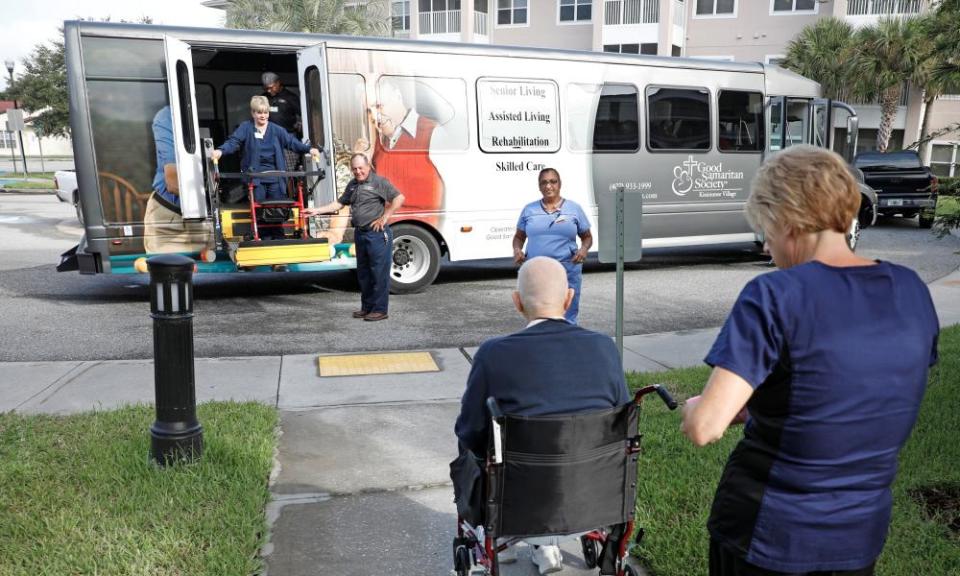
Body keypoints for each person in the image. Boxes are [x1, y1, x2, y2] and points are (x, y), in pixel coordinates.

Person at [681, 145, 939, 576]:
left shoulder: (774, 295)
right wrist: (763, 407)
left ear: (788, 218)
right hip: (858, 536)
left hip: (769, 534)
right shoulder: (910, 290)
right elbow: (861, 389)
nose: (766, 245)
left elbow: (705, 429)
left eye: (766, 228)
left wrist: (696, 409)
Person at [454, 256, 630, 574]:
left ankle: (519, 538)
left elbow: (469, 433)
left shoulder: (494, 354)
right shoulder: (604, 348)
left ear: (517, 302)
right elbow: (621, 427)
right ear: (569, 298)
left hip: (515, 501)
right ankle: (547, 544)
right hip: (593, 494)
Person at [302, 153, 404, 321]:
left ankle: (380, 310)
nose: (358, 172)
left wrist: (386, 216)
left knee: (378, 273)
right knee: (364, 274)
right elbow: (340, 203)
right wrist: (317, 210)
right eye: (354, 169)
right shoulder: (352, 185)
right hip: (360, 233)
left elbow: (399, 198)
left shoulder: (379, 182)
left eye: (361, 168)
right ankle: (367, 307)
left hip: (376, 234)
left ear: (368, 166)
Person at [212, 96, 319, 240]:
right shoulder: (246, 128)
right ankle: (260, 236)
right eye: (259, 112)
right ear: (253, 113)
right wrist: (220, 151)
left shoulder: (277, 130)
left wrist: (309, 149)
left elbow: (292, 143)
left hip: (275, 177)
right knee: (259, 209)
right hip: (256, 178)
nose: (263, 116)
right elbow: (233, 142)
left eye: (265, 112)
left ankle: (278, 237)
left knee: (275, 209)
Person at [512, 168, 593, 324]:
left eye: (552, 182)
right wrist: (517, 250)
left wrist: (583, 250)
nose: (548, 186)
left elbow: (587, 237)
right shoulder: (529, 210)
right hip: (537, 271)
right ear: (539, 186)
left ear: (560, 184)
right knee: (539, 314)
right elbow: (519, 237)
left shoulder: (574, 209)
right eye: (544, 182)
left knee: (567, 315)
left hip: (567, 270)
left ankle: (567, 345)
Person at [369, 77, 444, 224]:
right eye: (369, 110)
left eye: (378, 106)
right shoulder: (379, 142)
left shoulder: (432, 132)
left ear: (397, 96)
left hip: (423, 231)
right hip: (387, 230)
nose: (374, 115)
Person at [143, 105, 214, 254]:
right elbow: (173, 183)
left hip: (204, 219)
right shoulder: (167, 117)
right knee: (169, 274)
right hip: (170, 221)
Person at [261, 72, 303, 170]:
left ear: (278, 83)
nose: (268, 90)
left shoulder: (290, 97)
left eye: (271, 87)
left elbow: (303, 114)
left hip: (287, 136)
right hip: (268, 137)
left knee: (288, 169)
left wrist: (299, 124)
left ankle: (287, 185)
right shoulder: (263, 98)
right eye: (266, 88)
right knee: (270, 166)